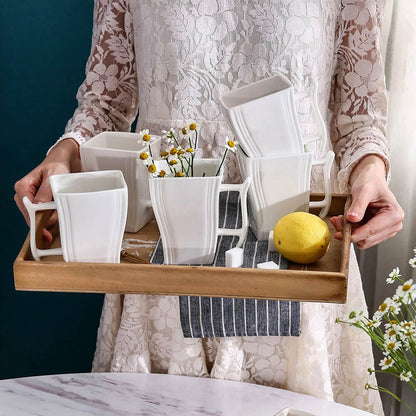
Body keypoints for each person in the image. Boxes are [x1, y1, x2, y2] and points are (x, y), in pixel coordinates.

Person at [14, 1, 404, 414]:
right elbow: (106, 101)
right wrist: (65, 153)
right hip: (168, 250)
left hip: (295, 253)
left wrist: (370, 171)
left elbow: (358, 117)